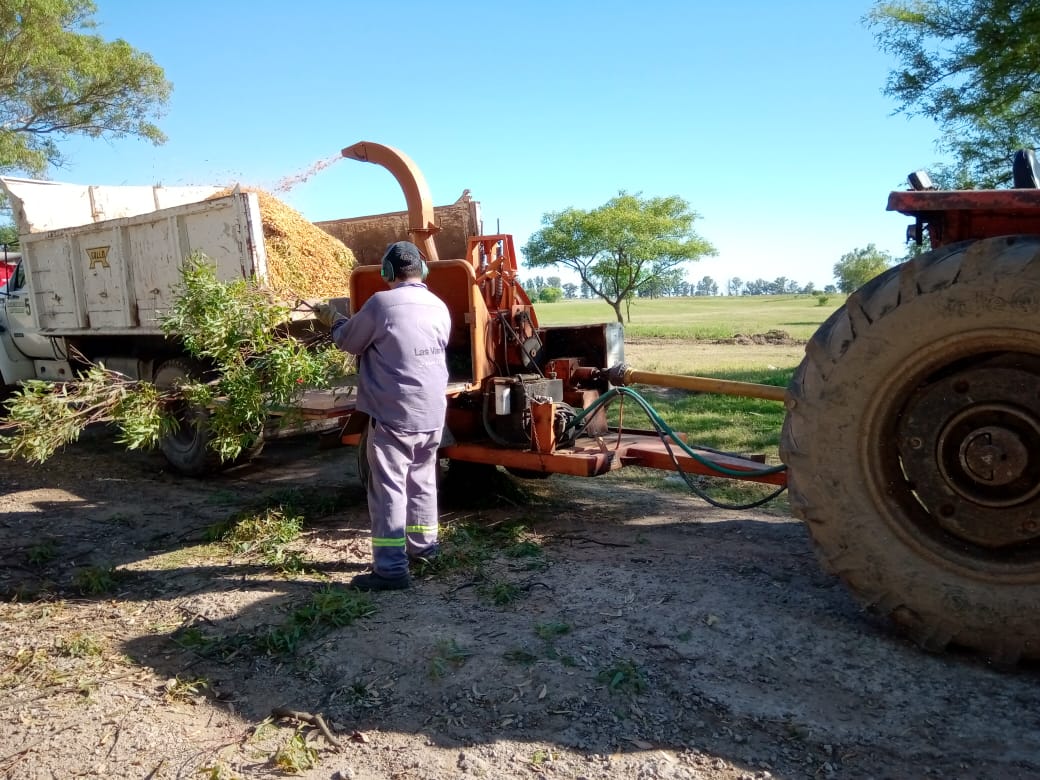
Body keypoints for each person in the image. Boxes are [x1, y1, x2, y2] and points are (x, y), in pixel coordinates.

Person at [314, 241, 451, 591]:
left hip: (394, 415)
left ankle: (390, 570)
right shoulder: (438, 305)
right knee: (422, 480)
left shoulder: (381, 303)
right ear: (423, 269)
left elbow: (348, 341)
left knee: (389, 488)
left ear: (387, 273)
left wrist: (334, 320)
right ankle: (425, 548)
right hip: (432, 413)